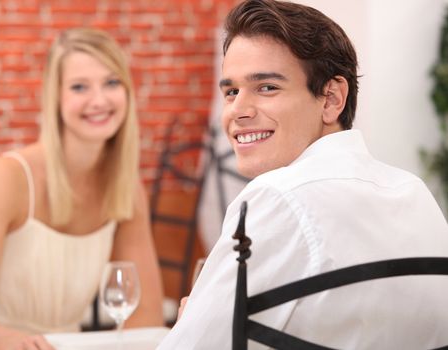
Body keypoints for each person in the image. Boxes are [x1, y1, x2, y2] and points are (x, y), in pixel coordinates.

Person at [158, 0, 448, 349]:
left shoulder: (275, 197)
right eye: (231, 91)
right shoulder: (414, 193)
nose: (237, 111)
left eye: (267, 87)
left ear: (331, 99)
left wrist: (192, 321)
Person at [0, 28, 164, 350]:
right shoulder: (6, 178)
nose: (99, 100)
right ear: (56, 98)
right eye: (80, 87)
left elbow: (147, 313)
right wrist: (24, 345)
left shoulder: (126, 186)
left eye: (111, 82)